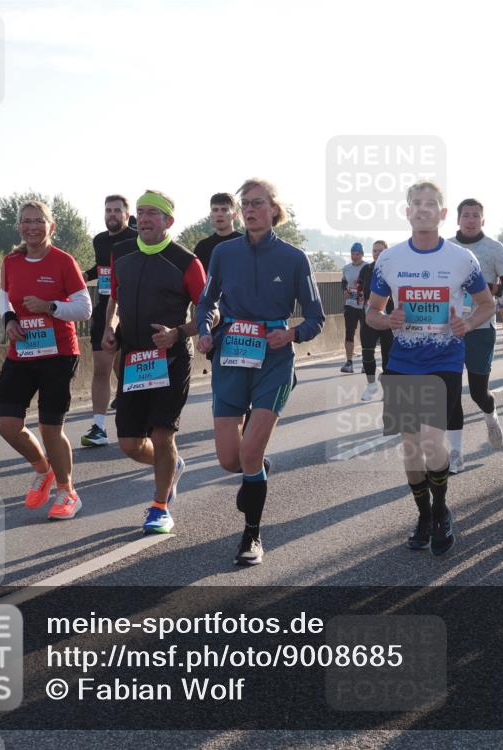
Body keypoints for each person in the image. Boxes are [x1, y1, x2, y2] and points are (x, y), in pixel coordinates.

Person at [197, 178, 325, 566]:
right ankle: (255, 471)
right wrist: (204, 330)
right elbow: (206, 302)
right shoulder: (224, 253)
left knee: (250, 451)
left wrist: (291, 333)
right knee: (229, 459)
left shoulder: (294, 258)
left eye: (258, 203)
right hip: (231, 354)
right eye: (245, 204)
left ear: (274, 210)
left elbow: (316, 318)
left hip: (273, 359)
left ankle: (251, 535)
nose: (250, 209)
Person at [366, 181, 495, 556]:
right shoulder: (389, 260)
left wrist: (467, 324)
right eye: (415, 204)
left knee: (431, 441)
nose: (422, 209)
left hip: (444, 361)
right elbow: (372, 313)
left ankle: (441, 510)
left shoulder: (460, 260)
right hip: (403, 362)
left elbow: (486, 304)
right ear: (407, 212)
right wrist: (388, 318)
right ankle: (424, 515)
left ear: (441, 213)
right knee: (410, 448)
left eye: (431, 204)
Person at [102, 190, 209, 534]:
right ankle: (172, 465)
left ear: (168, 222)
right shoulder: (121, 253)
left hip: (171, 358)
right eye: (143, 212)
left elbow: (211, 312)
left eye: (154, 214)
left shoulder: (186, 261)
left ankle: (160, 507)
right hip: (133, 358)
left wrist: (179, 332)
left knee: (162, 434)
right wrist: (110, 329)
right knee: (130, 444)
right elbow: (114, 301)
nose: (145, 219)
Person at [0, 200, 92, 520]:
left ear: (51, 227)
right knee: (8, 425)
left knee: (50, 427)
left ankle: (67, 491)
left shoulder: (63, 262)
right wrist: (9, 320)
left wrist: (50, 307)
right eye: (26, 221)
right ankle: (43, 469)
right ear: (19, 226)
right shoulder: (11, 261)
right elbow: (5, 297)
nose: (32, 226)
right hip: (22, 351)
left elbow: (84, 308)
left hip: (58, 354)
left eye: (38, 221)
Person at [447, 198, 503, 472]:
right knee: (449, 393)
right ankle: (456, 454)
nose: (470, 220)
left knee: (477, 392)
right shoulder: (445, 247)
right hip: (447, 330)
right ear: (458, 219)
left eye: (475, 215)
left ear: (483, 220)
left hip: (480, 328)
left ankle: (491, 415)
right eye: (466, 215)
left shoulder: (495, 249)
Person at [81, 195, 137, 448]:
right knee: (102, 368)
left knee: (129, 369)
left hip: (133, 311)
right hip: (105, 309)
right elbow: (104, 268)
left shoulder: (137, 239)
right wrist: (85, 274)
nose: (111, 214)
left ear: (127, 215)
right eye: (108, 210)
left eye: (117, 211)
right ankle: (99, 428)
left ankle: (136, 419)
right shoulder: (100, 240)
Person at [357, 240, 393, 401]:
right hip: (370, 317)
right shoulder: (367, 269)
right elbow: (359, 287)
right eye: (374, 251)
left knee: (388, 356)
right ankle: (371, 385)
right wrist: (358, 295)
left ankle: (387, 388)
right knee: (367, 352)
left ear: (387, 252)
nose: (377, 254)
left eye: (380, 251)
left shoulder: (394, 269)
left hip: (388, 319)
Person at [193, 193, 243, 273]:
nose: (219, 214)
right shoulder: (202, 247)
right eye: (215, 210)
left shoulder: (246, 243)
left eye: (224, 210)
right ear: (211, 215)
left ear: (234, 215)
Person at [340, 242, 367, 373]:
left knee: (365, 334)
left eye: (357, 254)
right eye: (352, 254)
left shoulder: (367, 267)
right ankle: (349, 362)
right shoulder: (346, 268)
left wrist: (364, 294)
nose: (354, 257)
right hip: (350, 305)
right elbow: (344, 282)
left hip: (364, 306)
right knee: (349, 333)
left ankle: (366, 362)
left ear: (362, 255)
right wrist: (344, 290)